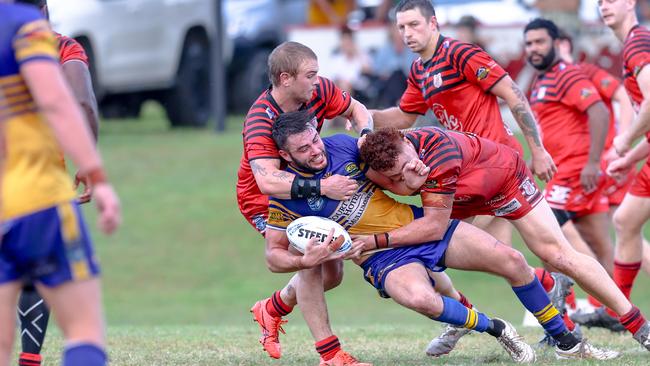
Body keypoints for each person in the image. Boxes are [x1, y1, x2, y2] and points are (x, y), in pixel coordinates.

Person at [266, 110, 618, 362]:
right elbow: (273, 256)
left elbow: (389, 166)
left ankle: (567, 341)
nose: (316, 151)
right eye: (304, 150)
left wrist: (412, 179)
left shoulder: (343, 147)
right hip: (381, 258)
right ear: (285, 156)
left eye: (314, 139)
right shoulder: (284, 195)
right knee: (423, 300)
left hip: (417, 227)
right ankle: (496, 328)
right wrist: (302, 261)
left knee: (511, 260)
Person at [359, 126, 650, 353]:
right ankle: (470, 314)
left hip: (502, 179)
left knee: (557, 255)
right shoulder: (381, 156)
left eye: (406, 167)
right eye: (393, 177)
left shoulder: (438, 154)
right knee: (438, 258)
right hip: (454, 194)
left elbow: (434, 227)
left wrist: (373, 241)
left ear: (409, 144)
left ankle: (639, 327)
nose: (403, 177)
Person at [371, 0, 556, 250]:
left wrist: (539, 151)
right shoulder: (419, 70)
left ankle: (555, 280)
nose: (407, 33)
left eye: (414, 24)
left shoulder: (459, 53)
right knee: (510, 253)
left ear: (432, 23)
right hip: (469, 164)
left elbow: (513, 93)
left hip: (495, 162)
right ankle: (551, 283)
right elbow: (405, 116)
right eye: (401, 27)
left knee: (445, 244)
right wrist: (358, 111)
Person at [0, 2, 121, 366]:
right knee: (84, 330)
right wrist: (94, 172)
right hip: (35, 197)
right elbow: (66, 101)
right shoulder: (26, 28)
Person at [237, 41, 373, 364]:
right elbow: (267, 181)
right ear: (285, 79)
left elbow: (357, 108)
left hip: (312, 191)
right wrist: (324, 186)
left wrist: (366, 133)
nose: (318, 81)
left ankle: (271, 308)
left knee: (333, 273)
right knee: (309, 258)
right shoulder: (260, 119)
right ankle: (331, 354)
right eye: (310, 75)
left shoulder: (318, 91)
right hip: (265, 201)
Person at [591, 0, 650, 335]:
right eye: (599, 2)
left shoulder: (638, 41)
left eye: (612, 0)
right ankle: (619, 312)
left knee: (624, 220)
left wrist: (625, 139)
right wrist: (630, 157)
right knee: (625, 220)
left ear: (631, 3)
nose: (604, 6)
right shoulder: (634, 43)